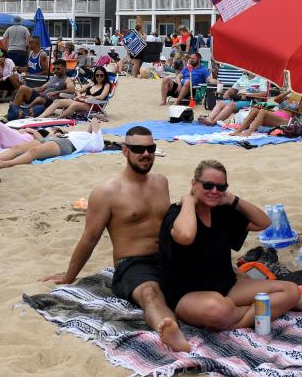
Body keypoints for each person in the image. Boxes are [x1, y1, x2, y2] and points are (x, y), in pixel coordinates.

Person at [41, 126, 191, 353]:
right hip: (132, 264)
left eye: (150, 148)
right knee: (150, 293)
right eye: (138, 149)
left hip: (167, 256)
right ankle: (168, 328)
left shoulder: (161, 181)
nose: (146, 154)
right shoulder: (106, 193)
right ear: (124, 151)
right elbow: (89, 238)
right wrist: (69, 275)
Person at [159, 159, 302, 331]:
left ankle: (238, 318)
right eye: (208, 185)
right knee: (218, 309)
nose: (215, 191)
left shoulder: (221, 212)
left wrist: (233, 200)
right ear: (194, 183)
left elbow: (264, 223)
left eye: (221, 187)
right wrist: (188, 202)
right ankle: (254, 313)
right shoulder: (177, 215)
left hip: (226, 286)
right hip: (187, 294)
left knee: (290, 290)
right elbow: (185, 236)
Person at [0, 118, 105, 168]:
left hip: (67, 143)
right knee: (17, 148)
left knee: (33, 151)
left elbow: (94, 121)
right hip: (57, 138)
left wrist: (96, 120)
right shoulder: (87, 135)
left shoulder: (97, 143)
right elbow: (92, 126)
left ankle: (7, 164)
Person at [37, 66, 114, 118]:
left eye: (101, 75)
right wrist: (78, 95)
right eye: (97, 75)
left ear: (105, 76)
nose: (99, 77)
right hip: (81, 100)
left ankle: (59, 118)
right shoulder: (92, 83)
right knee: (57, 101)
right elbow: (79, 90)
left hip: (93, 104)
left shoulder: (106, 85)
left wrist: (89, 98)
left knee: (74, 105)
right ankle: (41, 117)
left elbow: (101, 97)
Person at [229, 89, 302, 137]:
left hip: (286, 120)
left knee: (263, 111)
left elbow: (300, 112)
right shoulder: (289, 97)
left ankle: (249, 132)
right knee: (255, 109)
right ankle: (239, 130)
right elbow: (276, 100)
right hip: (275, 116)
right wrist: (289, 91)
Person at [198, 72, 269, 126]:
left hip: (251, 101)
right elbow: (234, 89)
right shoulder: (243, 77)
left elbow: (264, 94)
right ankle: (209, 119)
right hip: (238, 99)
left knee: (231, 104)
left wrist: (248, 95)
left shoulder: (261, 79)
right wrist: (228, 92)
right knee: (220, 103)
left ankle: (213, 122)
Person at [11, 60, 76, 113]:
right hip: (42, 96)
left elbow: (71, 90)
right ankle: (13, 110)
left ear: (64, 69)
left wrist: (56, 92)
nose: (55, 70)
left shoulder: (67, 79)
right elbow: (41, 88)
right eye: (54, 69)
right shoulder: (53, 78)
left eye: (58, 68)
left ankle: (25, 109)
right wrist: (30, 90)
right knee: (23, 88)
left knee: (39, 99)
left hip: (51, 100)